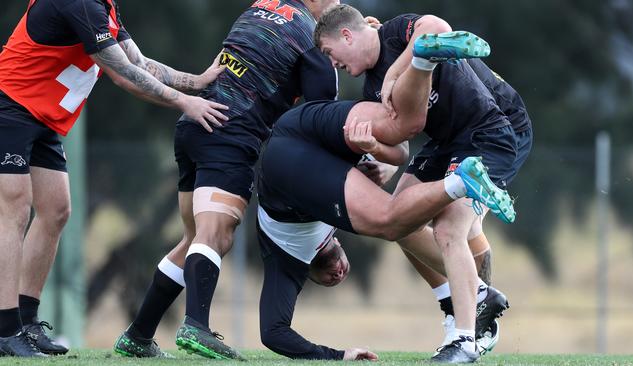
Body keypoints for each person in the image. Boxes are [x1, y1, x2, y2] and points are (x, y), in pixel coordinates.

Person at [113, 0, 342, 360]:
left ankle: (138, 335)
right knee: (216, 234)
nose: (340, 4)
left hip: (194, 124)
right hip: (230, 131)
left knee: (193, 238)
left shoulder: (259, 8)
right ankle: (197, 327)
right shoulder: (309, 35)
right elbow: (323, 111)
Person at [0, 0, 228, 358]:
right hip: (9, 106)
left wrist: (196, 81)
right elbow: (122, 73)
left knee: (56, 210)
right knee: (14, 209)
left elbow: (138, 62)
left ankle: (26, 323)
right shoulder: (78, 3)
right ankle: (5, 329)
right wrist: (185, 102)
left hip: (42, 118)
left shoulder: (102, 6)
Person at [314, 4, 532, 362]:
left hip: (491, 130)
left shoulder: (397, 31)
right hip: (446, 142)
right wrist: (373, 148)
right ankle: (476, 294)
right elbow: (400, 148)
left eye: (329, 53)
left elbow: (436, 24)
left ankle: (464, 340)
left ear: (348, 35)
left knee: (449, 230)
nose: (332, 63)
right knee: (396, 218)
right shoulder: (370, 87)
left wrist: (394, 73)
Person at [257, 204, 378, 361]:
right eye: (345, 269)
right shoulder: (338, 216)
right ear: (338, 241)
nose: (339, 274)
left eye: (330, 281)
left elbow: (273, 333)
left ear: (307, 274)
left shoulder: (286, 263)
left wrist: (339, 356)